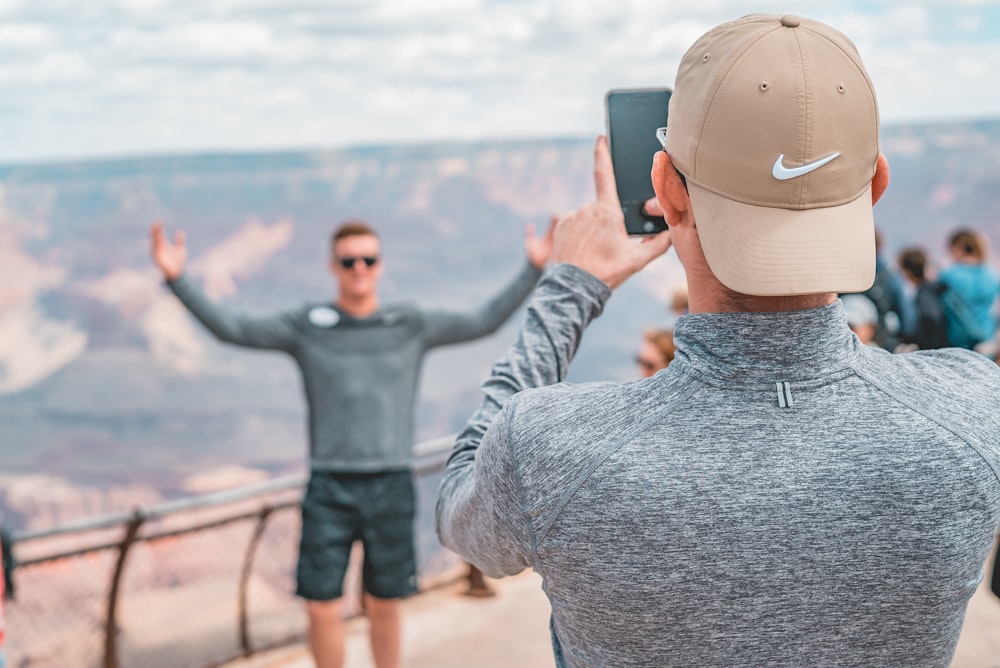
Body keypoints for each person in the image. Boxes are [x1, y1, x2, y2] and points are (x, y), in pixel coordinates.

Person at [436, 14, 1000, 666]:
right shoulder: (975, 411)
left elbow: (458, 507)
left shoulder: (548, 447)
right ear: (874, 187)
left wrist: (569, 290)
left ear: (668, 191)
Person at [150, 218, 552, 668]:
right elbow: (232, 328)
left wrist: (533, 268)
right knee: (321, 603)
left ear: (380, 265)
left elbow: (484, 321)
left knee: (384, 601)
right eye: (349, 261)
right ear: (334, 267)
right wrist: (176, 279)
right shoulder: (307, 326)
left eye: (368, 259)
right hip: (329, 486)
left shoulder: (408, 324)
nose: (359, 268)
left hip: (391, 483)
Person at [939, 229, 1000, 350]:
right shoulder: (992, 275)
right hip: (986, 339)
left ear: (958, 248)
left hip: (957, 342)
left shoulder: (949, 275)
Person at [897, 246, 950, 350]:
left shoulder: (924, 293)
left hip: (933, 346)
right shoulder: (932, 288)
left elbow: (931, 317)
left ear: (908, 272)